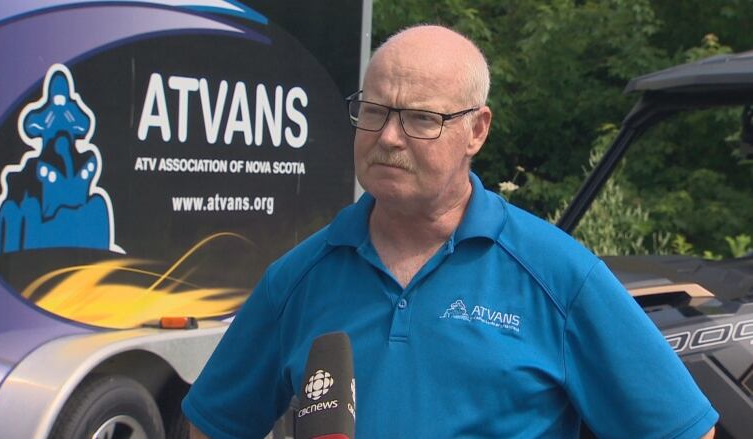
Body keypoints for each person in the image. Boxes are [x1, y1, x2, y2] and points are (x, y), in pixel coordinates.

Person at [182, 25, 718, 438]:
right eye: (374, 111)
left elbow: (683, 428)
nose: (389, 137)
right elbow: (214, 424)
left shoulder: (558, 276)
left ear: (476, 131)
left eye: (420, 118)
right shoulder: (298, 278)